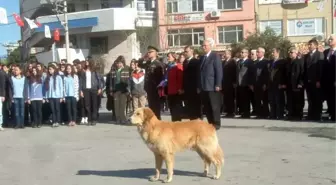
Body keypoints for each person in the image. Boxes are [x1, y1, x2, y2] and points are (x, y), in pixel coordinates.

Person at [198, 38, 223, 130]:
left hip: (212, 86)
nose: (203, 47)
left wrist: (218, 84)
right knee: (207, 106)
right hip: (203, 86)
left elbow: (218, 71)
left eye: (205, 45)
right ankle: (210, 123)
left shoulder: (215, 56)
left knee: (214, 106)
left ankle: (216, 123)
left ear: (210, 46)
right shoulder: (202, 58)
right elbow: (199, 73)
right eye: (202, 45)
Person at [303, 39, 324, 121]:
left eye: (310, 44)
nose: (309, 46)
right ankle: (310, 114)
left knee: (317, 99)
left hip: (316, 81)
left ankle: (318, 115)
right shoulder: (307, 56)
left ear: (315, 45)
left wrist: (318, 80)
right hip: (308, 81)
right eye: (308, 44)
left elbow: (320, 68)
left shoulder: (319, 54)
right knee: (310, 98)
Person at [79, 59, 103, 126]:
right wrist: (80, 90)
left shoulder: (95, 70)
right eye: (86, 61)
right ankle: (89, 119)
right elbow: (81, 81)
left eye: (87, 61)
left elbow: (99, 80)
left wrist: (100, 88)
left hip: (94, 89)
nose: (86, 62)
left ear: (90, 62)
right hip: (85, 89)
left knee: (94, 105)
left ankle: (94, 119)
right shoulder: (83, 71)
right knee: (87, 105)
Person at [143, 46, 164, 119]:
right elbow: (139, 64)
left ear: (156, 53)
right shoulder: (148, 63)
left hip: (155, 89)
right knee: (151, 107)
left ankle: (158, 123)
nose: (149, 53)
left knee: (156, 108)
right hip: (149, 88)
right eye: (148, 52)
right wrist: (144, 57)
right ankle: (153, 123)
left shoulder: (158, 63)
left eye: (150, 52)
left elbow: (160, 78)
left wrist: (158, 88)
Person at [109, 56, 130, 124]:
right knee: (116, 105)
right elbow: (111, 81)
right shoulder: (113, 70)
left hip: (123, 90)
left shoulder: (126, 69)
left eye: (120, 63)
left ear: (123, 63)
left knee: (122, 105)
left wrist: (128, 90)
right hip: (115, 90)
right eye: (118, 63)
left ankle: (123, 118)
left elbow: (128, 81)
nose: (119, 64)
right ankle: (118, 119)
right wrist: (111, 90)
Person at [183, 45, 202, 120]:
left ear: (192, 51)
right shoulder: (185, 62)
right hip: (187, 88)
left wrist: (198, 86)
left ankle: (198, 120)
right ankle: (192, 121)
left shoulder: (196, 61)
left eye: (186, 51)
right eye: (184, 51)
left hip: (194, 87)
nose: (185, 53)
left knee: (196, 105)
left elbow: (198, 75)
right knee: (189, 105)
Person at [286, 48, 304, 120]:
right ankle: (292, 114)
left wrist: (300, 83)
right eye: (289, 52)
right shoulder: (289, 62)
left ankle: (298, 115)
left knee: (298, 101)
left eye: (291, 52)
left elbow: (302, 73)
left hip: (297, 84)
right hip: (290, 85)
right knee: (291, 100)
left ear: (296, 53)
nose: (290, 53)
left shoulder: (299, 61)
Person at [237, 48, 256, 118]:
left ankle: (247, 113)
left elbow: (251, 73)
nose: (241, 54)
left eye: (243, 52)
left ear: (246, 54)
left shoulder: (250, 62)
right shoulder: (239, 61)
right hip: (240, 83)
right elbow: (237, 73)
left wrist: (250, 83)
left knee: (246, 99)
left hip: (246, 83)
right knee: (242, 98)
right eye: (241, 52)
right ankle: (243, 112)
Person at [269, 48, 287, 119]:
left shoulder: (282, 62)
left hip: (279, 84)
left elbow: (284, 74)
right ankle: (273, 114)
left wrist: (283, 83)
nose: (272, 53)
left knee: (279, 100)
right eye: (272, 52)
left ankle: (280, 114)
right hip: (271, 84)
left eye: (273, 52)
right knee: (272, 100)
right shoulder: (270, 62)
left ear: (277, 53)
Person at [322, 35, 336, 121]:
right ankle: (331, 113)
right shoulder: (325, 52)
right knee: (329, 97)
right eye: (329, 39)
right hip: (327, 80)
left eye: (332, 39)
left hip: (335, 79)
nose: (329, 40)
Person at [254, 47, 270, 118]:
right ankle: (259, 113)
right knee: (257, 99)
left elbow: (267, 74)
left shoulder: (266, 61)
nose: (257, 53)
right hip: (256, 84)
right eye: (257, 52)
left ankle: (266, 113)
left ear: (263, 53)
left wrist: (265, 84)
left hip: (263, 84)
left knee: (264, 100)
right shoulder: (255, 62)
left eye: (258, 52)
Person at [221, 50, 237, 117]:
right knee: (226, 98)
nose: (224, 55)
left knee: (231, 98)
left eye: (226, 54)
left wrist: (234, 82)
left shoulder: (232, 61)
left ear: (229, 54)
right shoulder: (224, 62)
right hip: (225, 82)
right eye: (224, 54)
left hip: (230, 83)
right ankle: (228, 111)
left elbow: (235, 72)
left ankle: (231, 112)